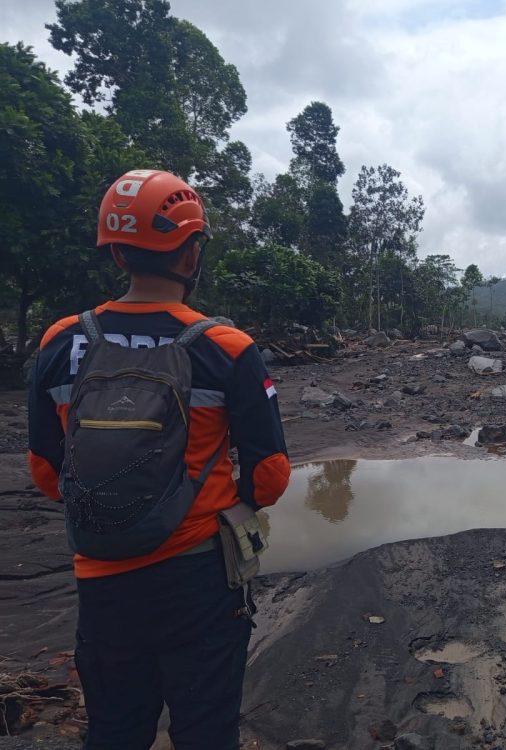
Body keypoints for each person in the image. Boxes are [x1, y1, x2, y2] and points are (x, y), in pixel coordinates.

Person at [27, 169, 291, 749]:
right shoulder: (226, 348)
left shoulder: (61, 341)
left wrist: (118, 509)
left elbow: (46, 472)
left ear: (118, 251)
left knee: (117, 729)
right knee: (205, 731)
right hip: (197, 577)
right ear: (191, 252)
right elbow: (270, 476)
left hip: (101, 578)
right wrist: (221, 505)